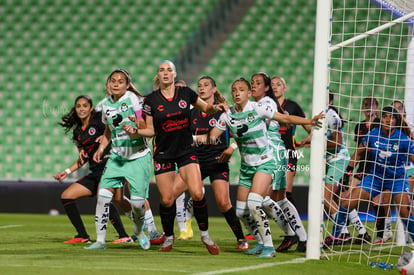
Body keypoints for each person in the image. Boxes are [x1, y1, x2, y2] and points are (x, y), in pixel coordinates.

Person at [201, 77, 323, 258]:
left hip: (265, 162)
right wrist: (193, 136)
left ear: (249, 93)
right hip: (246, 167)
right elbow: (211, 137)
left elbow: (285, 118)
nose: (236, 93)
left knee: (254, 203)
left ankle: (269, 247)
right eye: (234, 90)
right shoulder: (228, 115)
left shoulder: (258, 108)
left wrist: (309, 122)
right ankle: (260, 242)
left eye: (241, 89)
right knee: (241, 211)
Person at [129, 60, 224, 254]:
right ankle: (169, 238)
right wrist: (136, 132)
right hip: (163, 153)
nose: (165, 73)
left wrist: (215, 109)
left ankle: (205, 236)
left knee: (197, 194)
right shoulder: (151, 101)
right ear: (158, 75)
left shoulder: (186, 93)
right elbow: (150, 130)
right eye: (162, 70)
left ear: (174, 74)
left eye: (169, 70)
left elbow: (206, 108)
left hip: (186, 150)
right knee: (167, 200)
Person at [174, 76, 248, 249]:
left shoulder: (225, 112)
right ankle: (167, 235)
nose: (202, 88)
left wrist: (232, 147)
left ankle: (241, 238)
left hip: (216, 161)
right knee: (169, 195)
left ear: (214, 89)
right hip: (194, 161)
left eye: (206, 85)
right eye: (199, 85)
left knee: (223, 203)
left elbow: (244, 133)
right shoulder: (191, 112)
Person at [84, 68, 151, 250]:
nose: (116, 83)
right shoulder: (104, 104)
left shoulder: (132, 99)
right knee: (103, 197)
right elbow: (108, 130)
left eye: (120, 81)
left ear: (127, 85)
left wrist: (135, 125)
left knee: (137, 204)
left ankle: (139, 232)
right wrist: (101, 148)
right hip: (117, 157)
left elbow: (144, 125)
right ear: (108, 84)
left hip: (138, 157)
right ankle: (100, 241)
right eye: (113, 80)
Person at [329, 105, 414, 244]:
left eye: (391, 117)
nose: (388, 120)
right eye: (385, 117)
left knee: (405, 212)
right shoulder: (373, 134)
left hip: (396, 179)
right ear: (381, 119)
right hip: (375, 177)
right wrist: (348, 172)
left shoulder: (403, 139)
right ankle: (333, 238)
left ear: (396, 121)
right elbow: (358, 152)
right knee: (346, 203)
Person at [55, 95, 131, 244]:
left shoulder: (99, 121)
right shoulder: (78, 133)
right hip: (95, 172)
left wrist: (104, 136)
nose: (81, 109)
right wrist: (67, 171)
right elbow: (82, 159)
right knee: (66, 196)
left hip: (110, 166)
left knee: (103, 197)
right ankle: (82, 235)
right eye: (78, 106)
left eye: (85, 106)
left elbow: (114, 130)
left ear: (91, 108)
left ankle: (124, 235)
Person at [252, 72, 308, 253]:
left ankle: (289, 233)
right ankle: (303, 237)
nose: (254, 86)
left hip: (274, 154)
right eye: (252, 83)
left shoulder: (266, 103)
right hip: (277, 151)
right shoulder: (269, 103)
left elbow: (281, 121)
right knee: (281, 198)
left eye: (258, 83)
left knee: (263, 199)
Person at [323, 93, 370, 247]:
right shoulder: (323, 115)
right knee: (341, 199)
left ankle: (342, 232)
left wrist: (319, 143)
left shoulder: (331, 115)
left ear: (330, 101)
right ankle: (362, 232)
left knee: (325, 197)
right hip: (334, 161)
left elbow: (338, 142)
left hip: (339, 160)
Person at [271, 76, 311, 206]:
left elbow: (310, 129)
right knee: (270, 193)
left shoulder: (292, 106)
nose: (275, 87)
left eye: (278, 84)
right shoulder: (266, 106)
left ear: (285, 88)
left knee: (285, 193)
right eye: (272, 84)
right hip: (270, 154)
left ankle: (295, 222)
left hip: (288, 153)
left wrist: (304, 142)